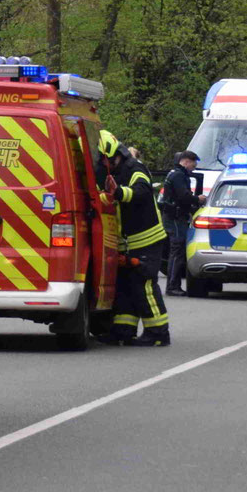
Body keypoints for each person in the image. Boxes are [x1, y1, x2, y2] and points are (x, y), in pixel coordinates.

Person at [98, 129, 170, 346]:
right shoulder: (109, 172)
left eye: (106, 159)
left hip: (146, 240)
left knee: (144, 284)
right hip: (127, 242)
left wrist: (119, 193)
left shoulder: (135, 169)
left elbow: (141, 192)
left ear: (115, 155)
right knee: (125, 285)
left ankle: (158, 334)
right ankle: (123, 331)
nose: (103, 163)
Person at [160, 150, 205, 293]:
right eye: (193, 165)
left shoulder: (174, 173)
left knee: (176, 251)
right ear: (186, 161)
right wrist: (197, 199)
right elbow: (183, 196)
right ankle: (173, 286)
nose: (194, 168)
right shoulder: (179, 175)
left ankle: (173, 285)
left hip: (174, 216)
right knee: (177, 250)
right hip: (175, 217)